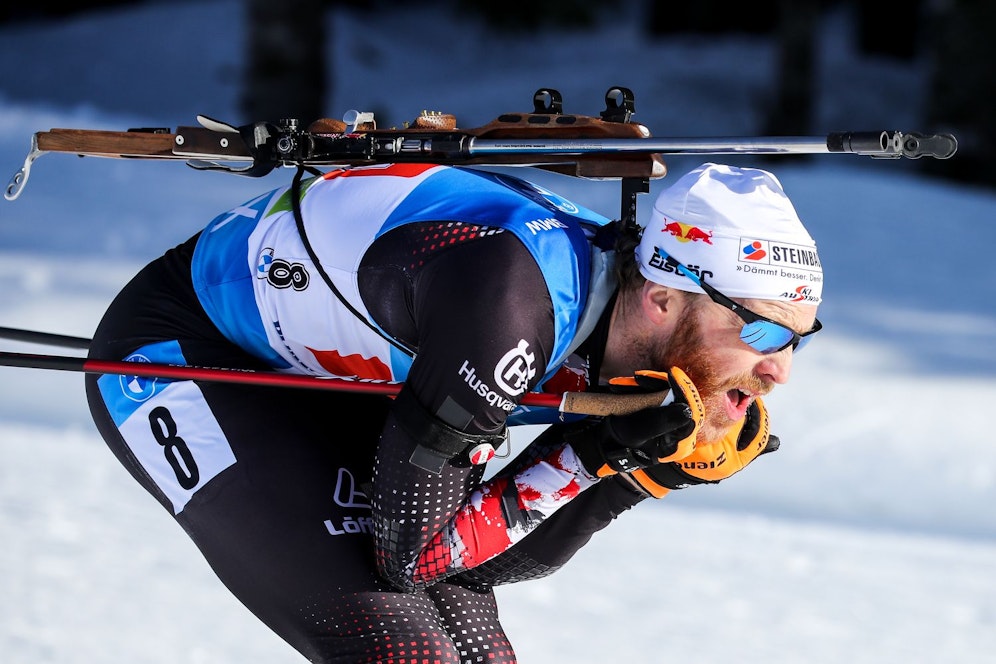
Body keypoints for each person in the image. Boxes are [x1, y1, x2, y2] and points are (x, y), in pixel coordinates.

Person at [85, 160, 823, 663]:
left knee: (475, 653)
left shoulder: (633, 338)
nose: (779, 369)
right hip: (188, 353)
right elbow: (418, 560)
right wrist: (596, 456)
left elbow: (479, 567)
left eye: (798, 338)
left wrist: (638, 476)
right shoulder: (511, 307)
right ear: (662, 298)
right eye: (760, 330)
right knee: (403, 655)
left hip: (344, 381)